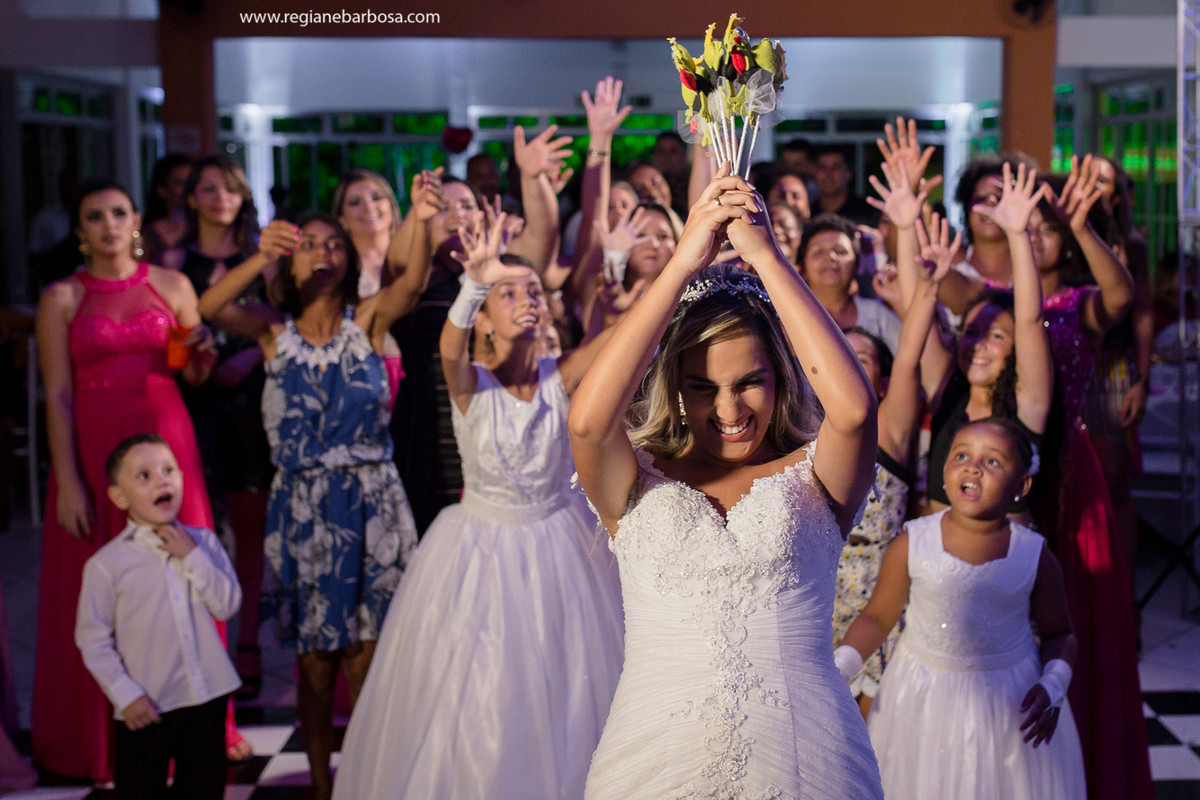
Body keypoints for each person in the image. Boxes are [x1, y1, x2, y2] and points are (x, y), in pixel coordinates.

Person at [571, 165, 883, 798]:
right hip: (654, 757)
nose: (730, 409)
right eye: (702, 387)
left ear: (780, 378)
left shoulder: (817, 476)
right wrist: (682, 264)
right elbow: (586, 421)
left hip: (804, 755)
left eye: (749, 382)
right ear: (674, 389)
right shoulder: (634, 481)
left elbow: (853, 411)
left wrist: (767, 257)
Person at [334, 210, 625, 800]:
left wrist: (617, 265)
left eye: (534, 291)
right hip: (480, 552)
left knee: (566, 678)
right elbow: (449, 345)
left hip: (560, 545)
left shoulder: (561, 376)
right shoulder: (469, 380)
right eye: (507, 293)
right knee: (482, 686)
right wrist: (473, 283)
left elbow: (617, 342)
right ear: (484, 320)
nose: (527, 300)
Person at [198, 213, 423, 799]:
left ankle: (371, 785)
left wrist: (421, 218)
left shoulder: (367, 320)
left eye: (333, 244)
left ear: (347, 259)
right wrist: (260, 256)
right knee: (316, 665)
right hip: (305, 511)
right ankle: (322, 787)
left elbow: (411, 283)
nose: (322, 252)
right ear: (291, 262)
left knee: (367, 661)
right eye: (309, 245)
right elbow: (209, 308)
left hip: (373, 505)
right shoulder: (272, 331)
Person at [33, 178, 218, 781]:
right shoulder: (61, 297)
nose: (109, 224)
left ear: (136, 220)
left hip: (166, 438)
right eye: (95, 216)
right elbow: (57, 394)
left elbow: (194, 372)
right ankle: (97, 734)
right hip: (94, 448)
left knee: (182, 569)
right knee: (100, 589)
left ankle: (196, 726)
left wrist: (202, 355)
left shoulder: (173, 284)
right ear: (79, 231)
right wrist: (67, 479)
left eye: (118, 212)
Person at [836, 418, 1085, 799]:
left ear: (1022, 486)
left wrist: (1053, 684)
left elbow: (1060, 634)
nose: (973, 468)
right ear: (944, 471)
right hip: (921, 698)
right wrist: (839, 669)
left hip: (1009, 704)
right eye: (962, 456)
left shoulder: (1034, 555)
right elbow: (877, 617)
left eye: (992, 461)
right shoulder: (913, 541)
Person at [1030, 157, 1152, 799]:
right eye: (1030, 227)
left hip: (1071, 473)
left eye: (1047, 229)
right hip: (1008, 471)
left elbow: (1125, 296)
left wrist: (1080, 225)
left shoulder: (1081, 304)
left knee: (1075, 615)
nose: (1036, 237)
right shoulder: (995, 298)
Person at [161, 156, 270, 729]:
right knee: (197, 528)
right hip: (193, 399)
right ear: (191, 198)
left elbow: (281, 322)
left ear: (242, 196)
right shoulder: (173, 262)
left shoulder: (265, 256)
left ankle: (247, 641)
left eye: (229, 188)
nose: (219, 197)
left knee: (250, 528)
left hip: (253, 396)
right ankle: (201, 642)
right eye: (207, 188)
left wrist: (251, 356)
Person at [76, 433, 241, 800]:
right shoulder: (107, 564)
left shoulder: (204, 543)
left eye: (168, 470)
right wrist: (126, 695)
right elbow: (92, 639)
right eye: (144, 476)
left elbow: (226, 605)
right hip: (146, 704)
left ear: (182, 479)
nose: (161, 481)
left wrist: (193, 556)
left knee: (204, 789)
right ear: (119, 496)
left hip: (207, 698)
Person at [798, 213, 902, 356]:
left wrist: (899, 303)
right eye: (819, 252)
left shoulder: (878, 316)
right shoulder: (789, 317)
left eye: (840, 251)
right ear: (802, 268)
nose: (831, 257)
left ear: (857, 265)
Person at [141, 154, 193, 261]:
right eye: (180, 183)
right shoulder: (149, 235)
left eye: (192, 182)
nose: (188, 188)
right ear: (161, 190)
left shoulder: (204, 226)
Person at [813, 146, 879, 227]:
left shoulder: (868, 213)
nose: (828, 174)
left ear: (848, 174)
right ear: (814, 173)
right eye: (822, 167)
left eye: (836, 167)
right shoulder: (808, 214)